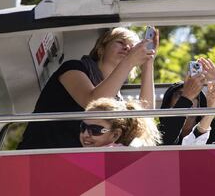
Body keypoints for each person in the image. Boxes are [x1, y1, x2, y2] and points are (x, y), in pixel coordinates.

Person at [18, 27, 159, 149]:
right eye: (120, 42)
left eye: (131, 47)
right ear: (101, 48)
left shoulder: (116, 99)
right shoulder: (73, 68)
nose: (127, 48)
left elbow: (145, 118)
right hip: (39, 155)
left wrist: (148, 64)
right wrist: (129, 61)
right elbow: (94, 104)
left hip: (77, 165)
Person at [159, 58, 215, 145]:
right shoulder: (156, 132)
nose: (190, 99)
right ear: (169, 104)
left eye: (195, 95)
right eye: (180, 95)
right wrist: (186, 97)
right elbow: (165, 141)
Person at [80, 98, 161, 147]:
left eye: (95, 130)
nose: (86, 134)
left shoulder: (118, 154)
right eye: (83, 127)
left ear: (115, 135)